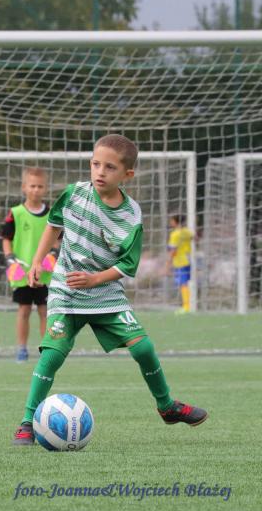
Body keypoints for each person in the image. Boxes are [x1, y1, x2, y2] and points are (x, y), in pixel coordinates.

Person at [11, 134, 208, 446]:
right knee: (53, 353)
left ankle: (167, 406)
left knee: (143, 348)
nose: (100, 171)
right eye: (96, 164)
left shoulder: (132, 214)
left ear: (127, 174)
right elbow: (54, 224)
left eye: (110, 167)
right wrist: (37, 260)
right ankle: (27, 421)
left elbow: (128, 264)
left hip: (105, 292)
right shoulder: (74, 193)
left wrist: (95, 279)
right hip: (67, 289)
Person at [1, 167, 58, 362]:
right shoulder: (15, 213)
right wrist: (10, 260)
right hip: (22, 272)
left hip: (45, 273)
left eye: (40, 186)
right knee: (24, 310)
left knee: (45, 311)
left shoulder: (52, 214)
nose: (36, 190)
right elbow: (6, 239)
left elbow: (57, 240)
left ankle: (46, 349)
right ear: (24, 187)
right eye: (32, 186)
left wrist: (52, 256)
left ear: (46, 189)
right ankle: (21, 349)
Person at [167, 215, 194, 314]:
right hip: (188, 259)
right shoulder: (186, 231)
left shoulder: (175, 234)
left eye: (171, 220)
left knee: (183, 284)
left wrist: (168, 263)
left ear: (175, 222)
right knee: (185, 283)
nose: (170, 222)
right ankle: (187, 306)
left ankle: (186, 307)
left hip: (179, 261)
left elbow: (173, 251)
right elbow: (195, 237)